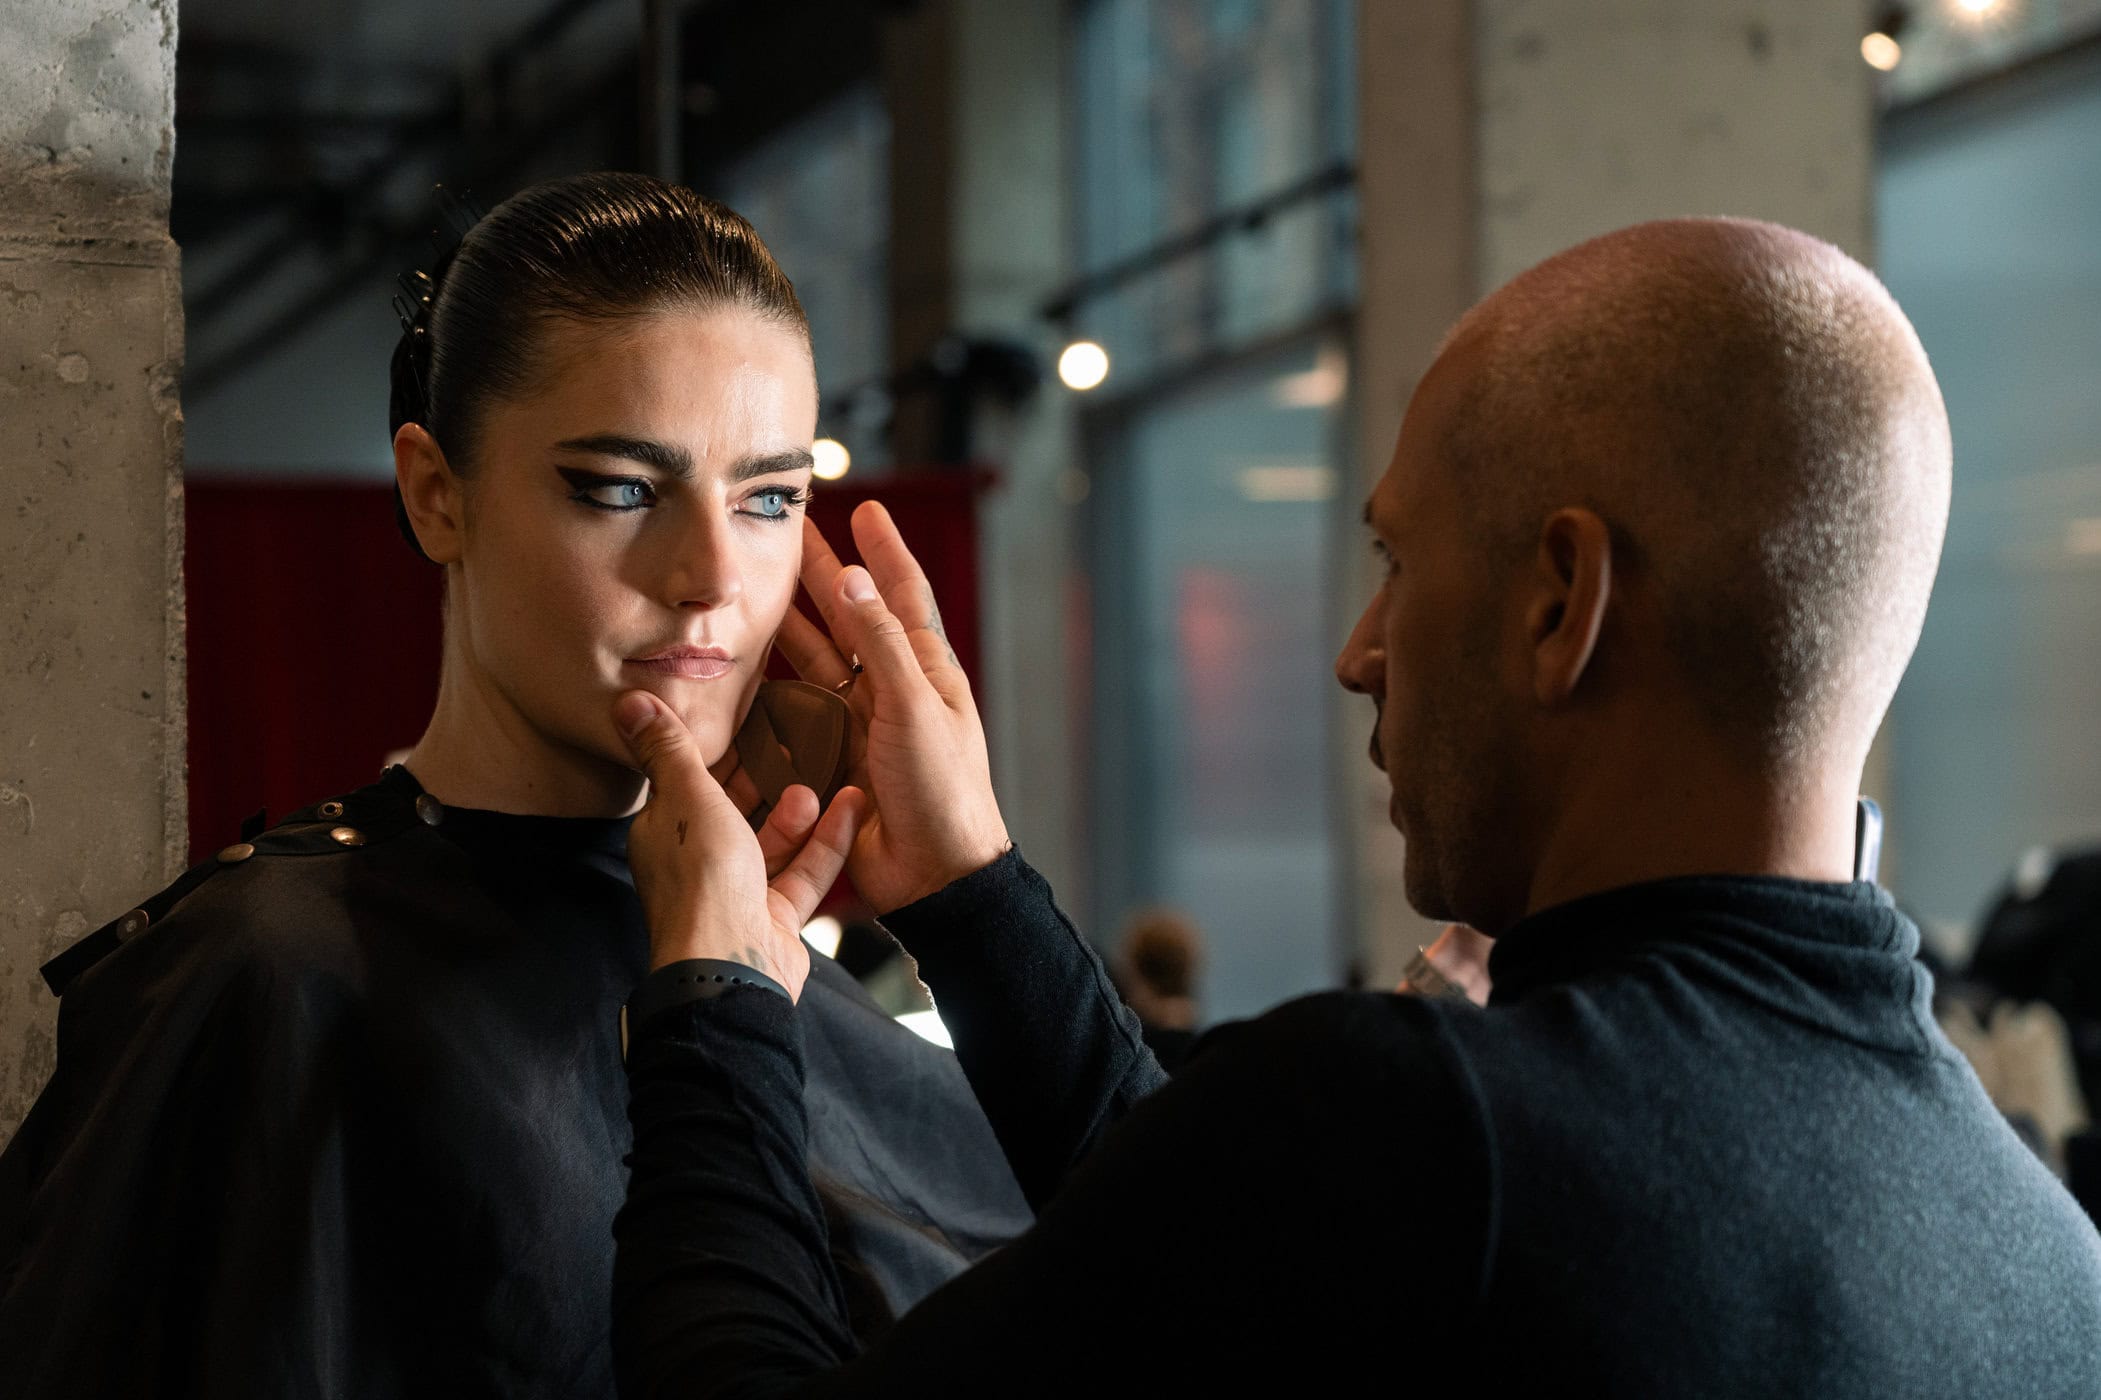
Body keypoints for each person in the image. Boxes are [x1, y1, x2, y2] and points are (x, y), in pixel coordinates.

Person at [609, 217, 2101, 1396]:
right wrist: (971, 895)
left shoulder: (1420, 1131)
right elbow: (1247, 1254)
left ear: (1557, 603)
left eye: (1396, 564)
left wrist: (717, 1001)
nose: (1356, 655)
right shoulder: (2047, 1266)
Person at [0, 173, 1029, 1397]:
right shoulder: (268, 977)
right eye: (619, 487)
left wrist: (975, 896)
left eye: (769, 498)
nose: (711, 574)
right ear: (438, 491)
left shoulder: (780, 969)